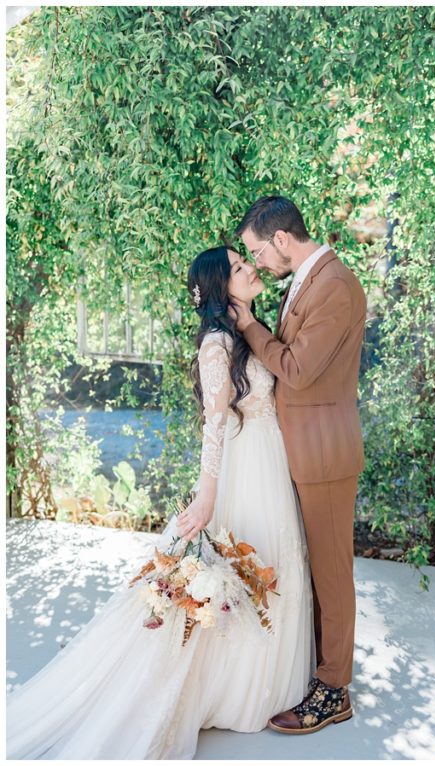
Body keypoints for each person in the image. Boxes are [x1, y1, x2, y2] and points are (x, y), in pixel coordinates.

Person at [6, 247, 313, 758]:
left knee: (276, 563)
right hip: (242, 467)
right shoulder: (216, 344)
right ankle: (224, 688)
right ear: (221, 288)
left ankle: (262, 684)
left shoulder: (249, 332)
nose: (250, 269)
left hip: (272, 462)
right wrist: (207, 495)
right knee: (238, 564)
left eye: (246, 262)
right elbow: (215, 424)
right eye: (239, 268)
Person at [230, 196, 366, 734]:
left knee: (332, 573)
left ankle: (334, 690)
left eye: (258, 252)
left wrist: (246, 326)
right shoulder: (308, 280)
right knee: (314, 567)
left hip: (325, 451)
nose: (258, 263)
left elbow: (298, 368)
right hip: (302, 447)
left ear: (282, 240)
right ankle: (320, 667)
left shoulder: (334, 285)